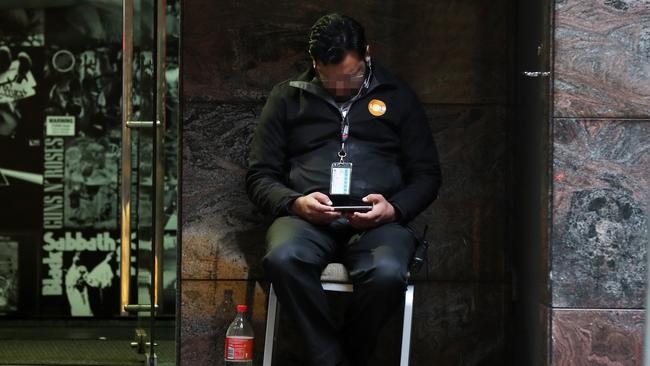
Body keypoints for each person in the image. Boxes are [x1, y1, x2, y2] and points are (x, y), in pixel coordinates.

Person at [245, 13, 442, 366]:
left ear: (367, 54)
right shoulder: (287, 97)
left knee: (388, 273)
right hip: (305, 220)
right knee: (283, 259)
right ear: (314, 63)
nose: (340, 88)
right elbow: (260, 175)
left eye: (350, 77)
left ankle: (343, 354)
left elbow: (427, 175)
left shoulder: (397, 96)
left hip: (378, 222)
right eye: (328, 78)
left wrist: (394, 209)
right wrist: (295, 203)